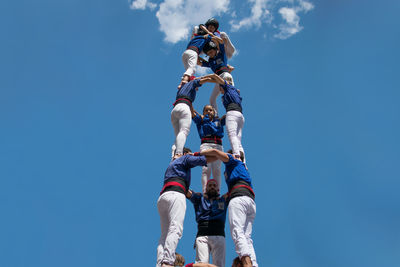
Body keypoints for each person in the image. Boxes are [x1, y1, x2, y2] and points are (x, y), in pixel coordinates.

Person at [157, 148, 217, 267]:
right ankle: (168, 262)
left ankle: (160, 263)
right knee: (175, 229)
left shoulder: (171, 165)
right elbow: (205, 159)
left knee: (164, 235)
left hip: (163, 197)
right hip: (176, 195)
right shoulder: (185, 158)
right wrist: (220, 156)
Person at [197, 149, 257, 267]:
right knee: (246, 237)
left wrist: (197, 155)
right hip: (250, 200)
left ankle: (247, 263)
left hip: (239, 198)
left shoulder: (233, 161)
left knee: (237, 231)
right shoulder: (242, 167)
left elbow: (215, 151)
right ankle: (254, 264)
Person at [171, 75, 216, 158]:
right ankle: (178, 154)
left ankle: (173, 156)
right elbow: (203, 80)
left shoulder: (183, 87)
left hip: (175, 109)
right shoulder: (192, 83)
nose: (198, 89)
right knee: (184, 131)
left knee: (178, 136)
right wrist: (214, 80)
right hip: (184, 107)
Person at [187, 179, 227, 267]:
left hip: (219, 234)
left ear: (218, 189)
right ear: (206, 189)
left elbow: (234, 190)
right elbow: (187, 192)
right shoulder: (199, 199)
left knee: (219, 265)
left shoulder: (223, 200)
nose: (212, 187)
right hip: (202, 235)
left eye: (214, 185)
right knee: (201, 264)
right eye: (209, 185)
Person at [192, 105, 225, 192]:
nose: (209, 111)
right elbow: (192, 113)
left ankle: (217, 192)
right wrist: (189, 102)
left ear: (214, 112)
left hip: (218, 145)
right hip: (206, 144)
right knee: (206, 168)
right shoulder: (201, 120)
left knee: (217, 170)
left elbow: (230, 115)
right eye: (206, 110)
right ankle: (205, 192)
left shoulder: (219, 121)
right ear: (203, 113)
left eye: (211, 110)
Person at [200, 40, 234, 115]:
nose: (210, 54)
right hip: (218, 78)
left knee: (228, 95)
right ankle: (215, 117)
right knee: (212, 99)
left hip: (225, 75)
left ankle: (233, 111)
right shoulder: (210, 62)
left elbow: (221, 42)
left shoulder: (221, 54)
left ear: (215, 49)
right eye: (208, 53)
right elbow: (199, 62)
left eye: (211, 51)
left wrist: (210, 36)